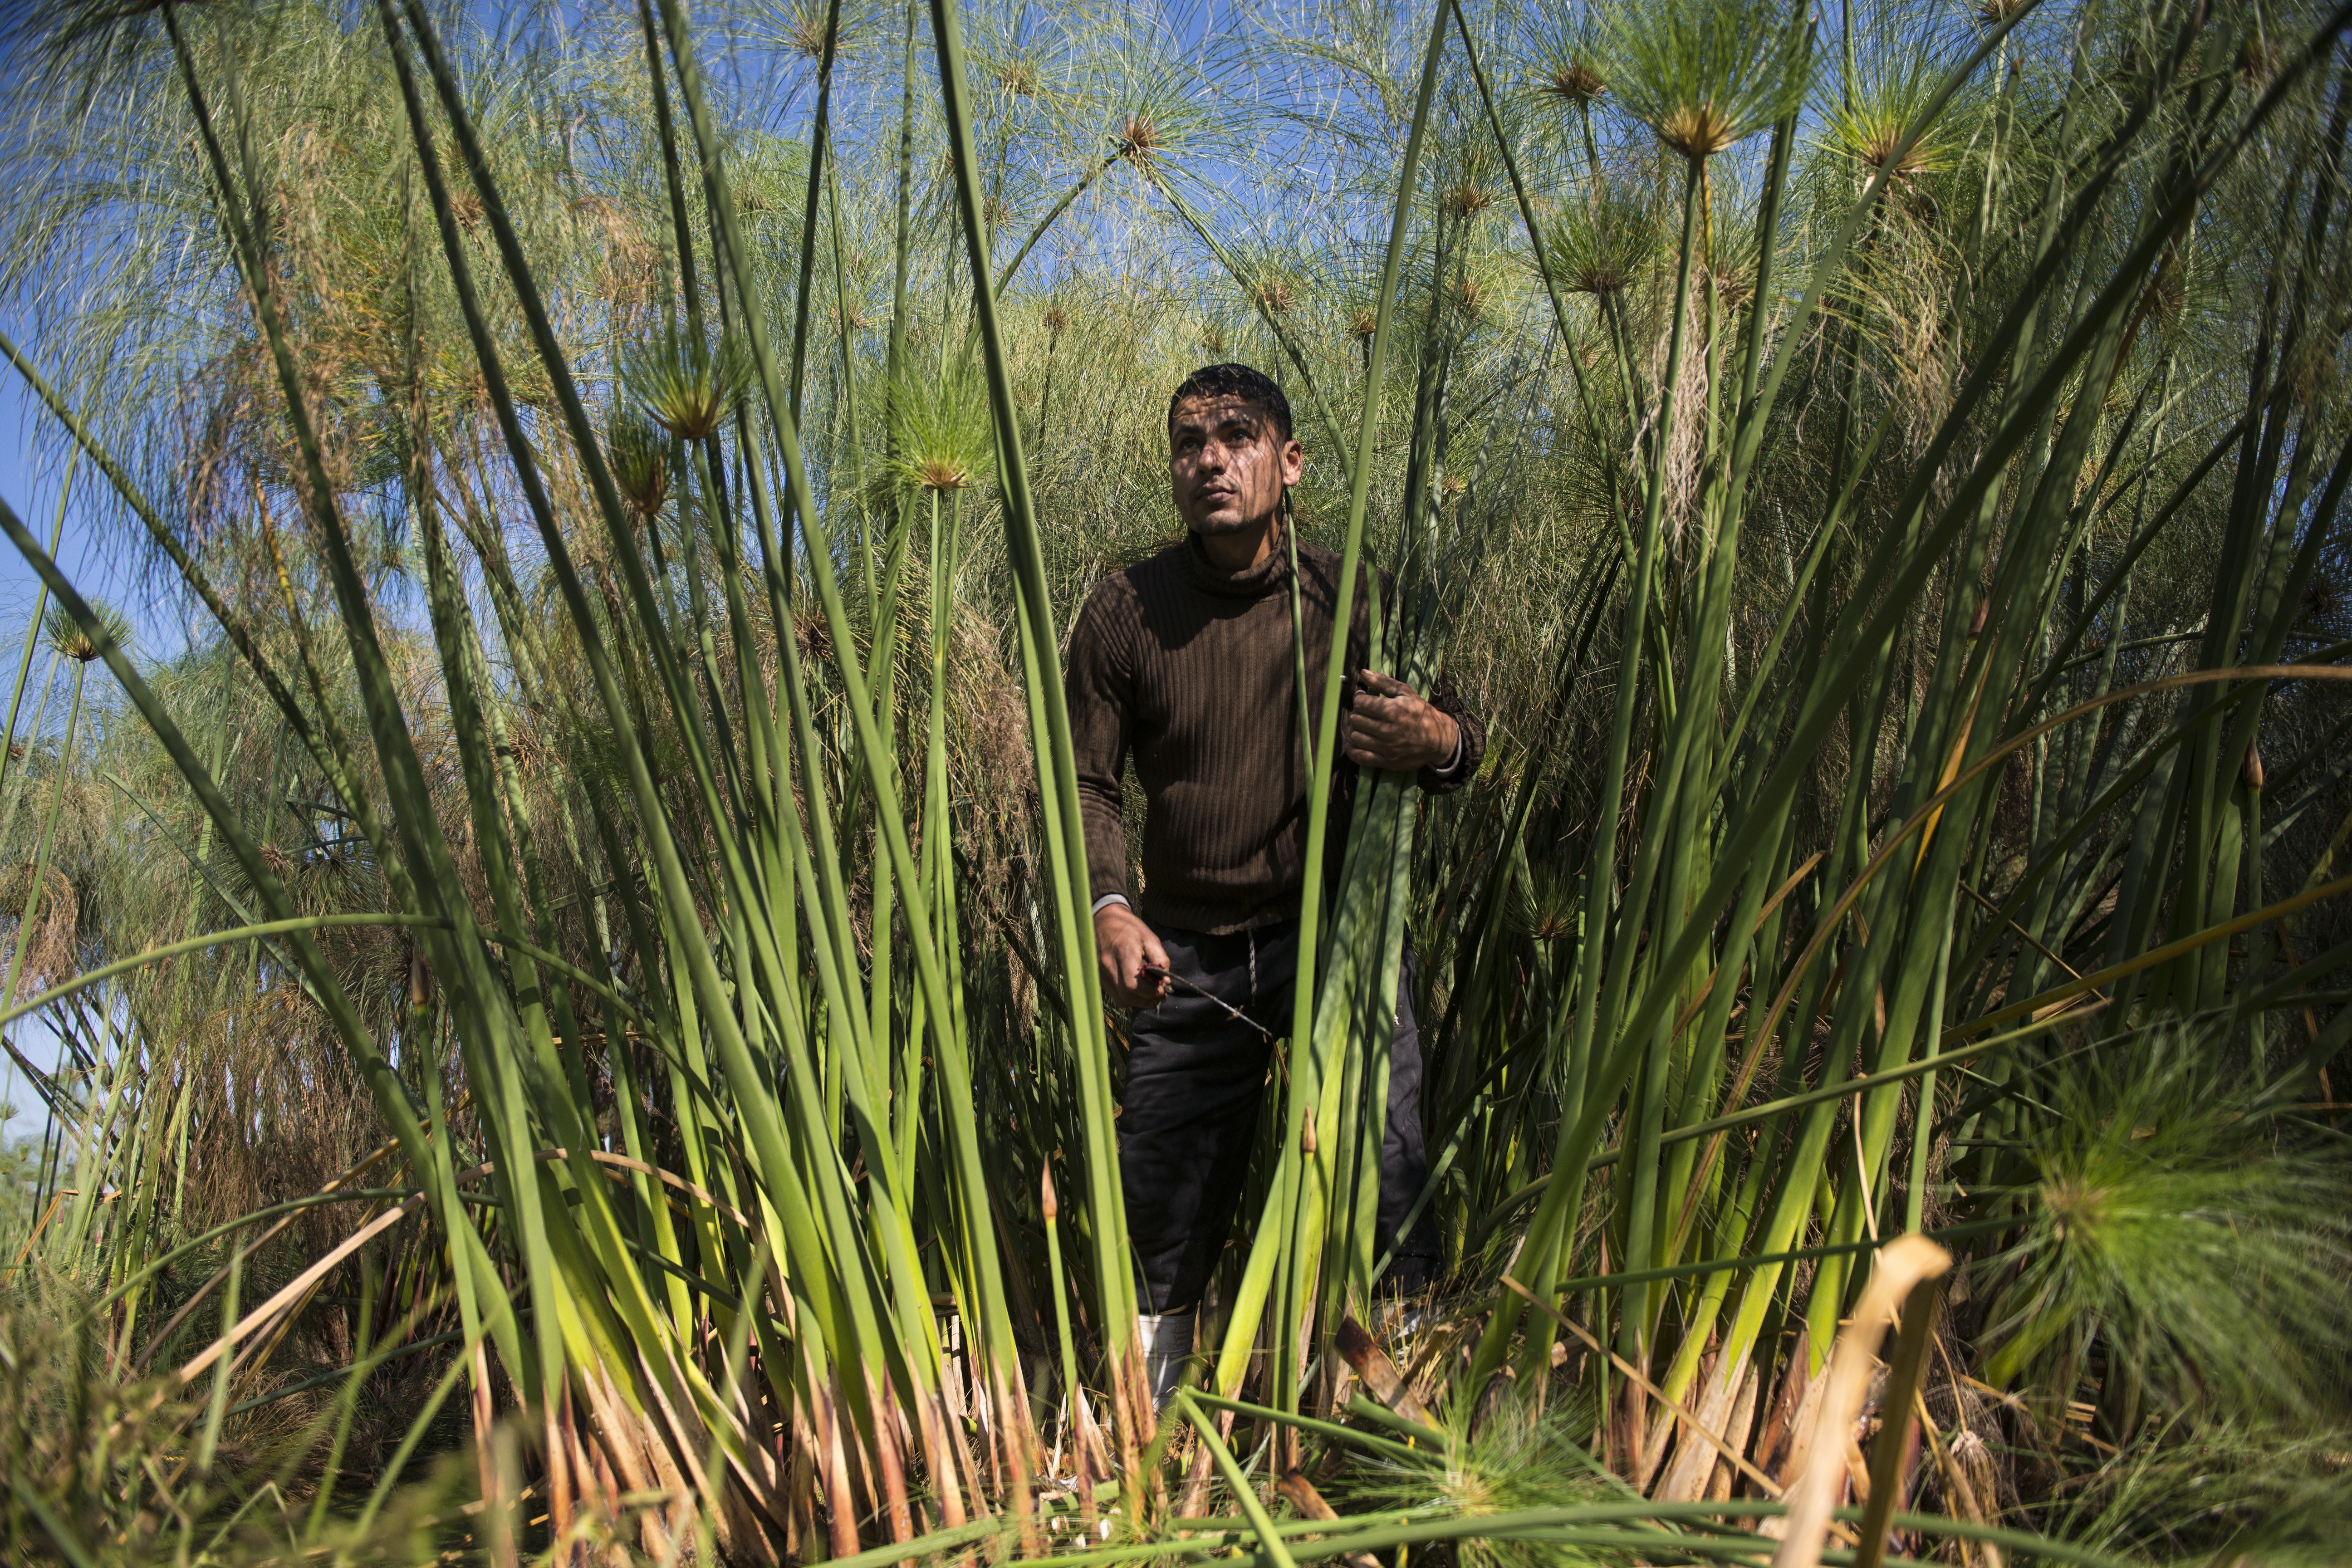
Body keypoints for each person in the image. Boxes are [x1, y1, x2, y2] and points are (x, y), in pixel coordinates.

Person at [1063, 363, 1485, 1402]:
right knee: (1162, 1202)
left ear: (1289, 463)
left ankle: (1405, 1412)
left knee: (1386, 1163)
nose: (1210, 458)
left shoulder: (1352, 593)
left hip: (1333, 935)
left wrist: (1436, 739)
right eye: (1189, 441)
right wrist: (1109, 907)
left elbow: (1466, 734)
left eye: (1237, 435)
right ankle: (1147, 1439)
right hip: (1187, 956)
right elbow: (1082, 782)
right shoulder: (1126, 612)